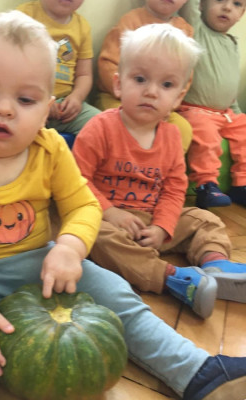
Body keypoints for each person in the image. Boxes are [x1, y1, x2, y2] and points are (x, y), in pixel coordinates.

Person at [0, 12, 246, 400]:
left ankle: (198, 370)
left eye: (25, 99)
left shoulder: (51, 148)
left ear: (47, 107)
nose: (4, 109)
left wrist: (69, 248)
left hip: (42, 263)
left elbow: (84, 206)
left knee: (118, 295)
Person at [73, 23, 246, 319]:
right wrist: (109, 212)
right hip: (109, 220)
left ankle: (215, 265)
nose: (151, 92)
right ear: (118, 84)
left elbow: (175, 189)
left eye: (166, 85)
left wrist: (163, 227)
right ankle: (169, 278)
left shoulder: (172, 136)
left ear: (179, 96)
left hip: (153, 221)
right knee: (94, 235)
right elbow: (77, 181)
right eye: (140, 79)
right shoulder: (99, 127)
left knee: (205, 219)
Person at [95, 0, 194, 152]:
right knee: (120, 122)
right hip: (116, 97)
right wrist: (126, 94)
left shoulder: (185, 31)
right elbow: (108, 63)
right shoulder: (131, 21)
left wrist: (169, 105)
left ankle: (161, 165)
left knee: (183, 129)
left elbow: (184, 77)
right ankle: (123, 162)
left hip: (159, 106)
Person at [178, 0, 246, 208]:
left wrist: (237, 112)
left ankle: (242, 184)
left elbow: (230, 84)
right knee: (206, 138)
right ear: (201, 5)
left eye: (237, 4)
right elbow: (188, 6)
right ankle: (206, 185)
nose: (227, 7)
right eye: (219, 0)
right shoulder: (197, 29)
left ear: (242, 14)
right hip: (195, 110)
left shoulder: (232, 43)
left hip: (226, 112)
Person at [16, 0, 100, 136]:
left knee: (103, 127)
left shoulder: (82, 26)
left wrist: (77, 97)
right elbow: (13, 68)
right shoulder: (24, 17)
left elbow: (84, 75)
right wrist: (40, 99)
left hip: (65, 106)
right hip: (28, 101)